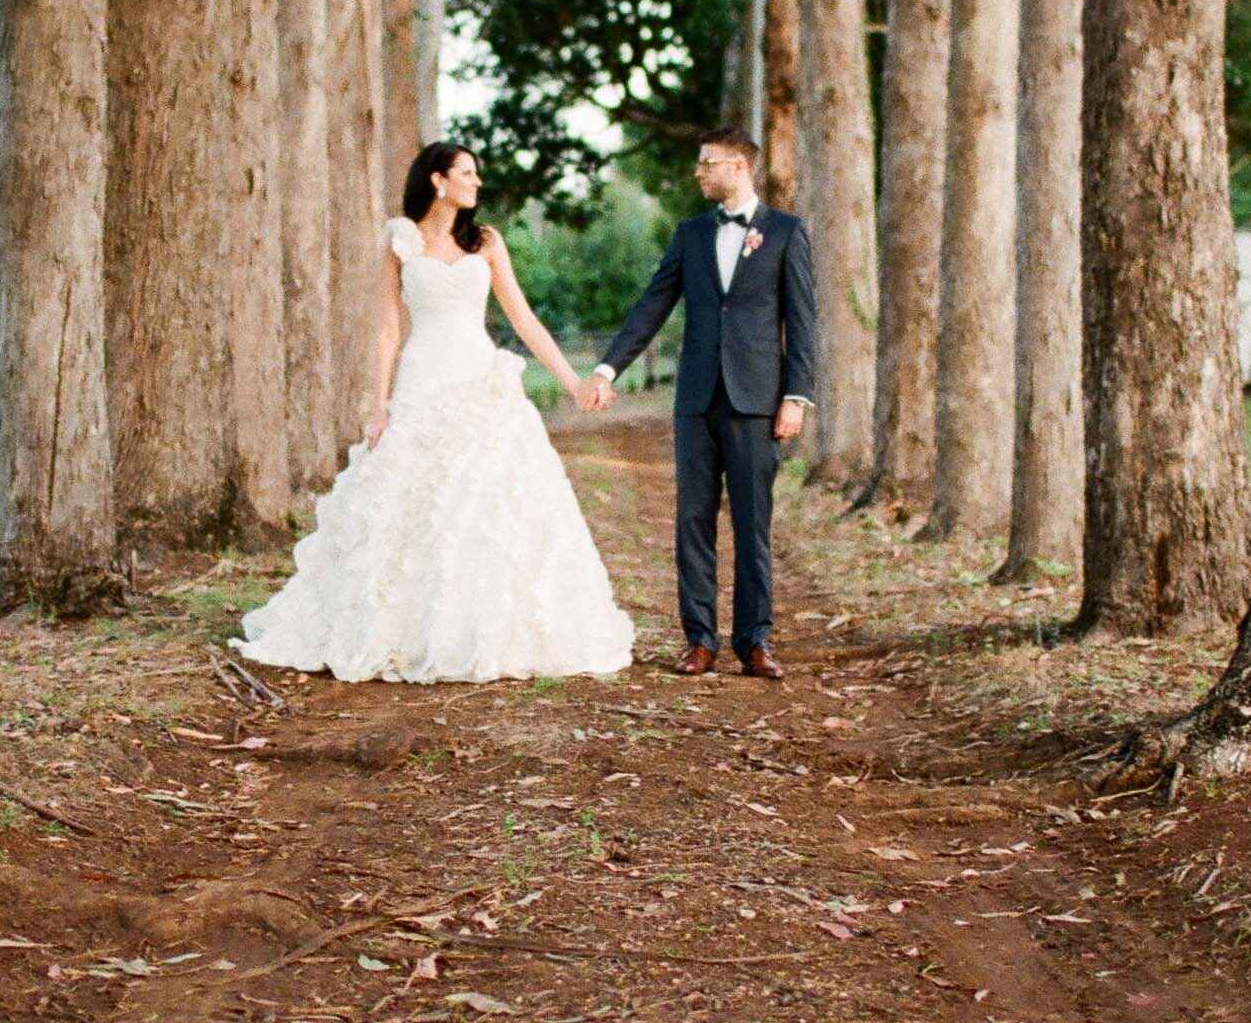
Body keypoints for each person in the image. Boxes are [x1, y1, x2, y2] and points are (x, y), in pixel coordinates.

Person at [235, 142, 635, 683]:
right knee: (407, 500)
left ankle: (483, 623)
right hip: (424, 377)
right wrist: (377, 405)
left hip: (478, 378)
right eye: (467, 173)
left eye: (477, 174)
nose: (477, 183)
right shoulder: (401, 239)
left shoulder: (486, 242)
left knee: (488, 501)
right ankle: (398, 626)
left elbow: (524, 321)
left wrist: (572, 382)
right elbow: (387, 327)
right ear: (439, 181)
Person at [577, 129, 817, 679]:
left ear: (737, 167)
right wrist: (608, 367)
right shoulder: (689, 235)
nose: (698, 173)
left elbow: (803, 323)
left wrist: (796, 397)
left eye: (706, 165)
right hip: (696, 399)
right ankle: (700, 640)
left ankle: (755, 641)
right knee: (692, 519)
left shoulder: (785, 232)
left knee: (754, 524)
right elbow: (652, 304)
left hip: (758, 400)